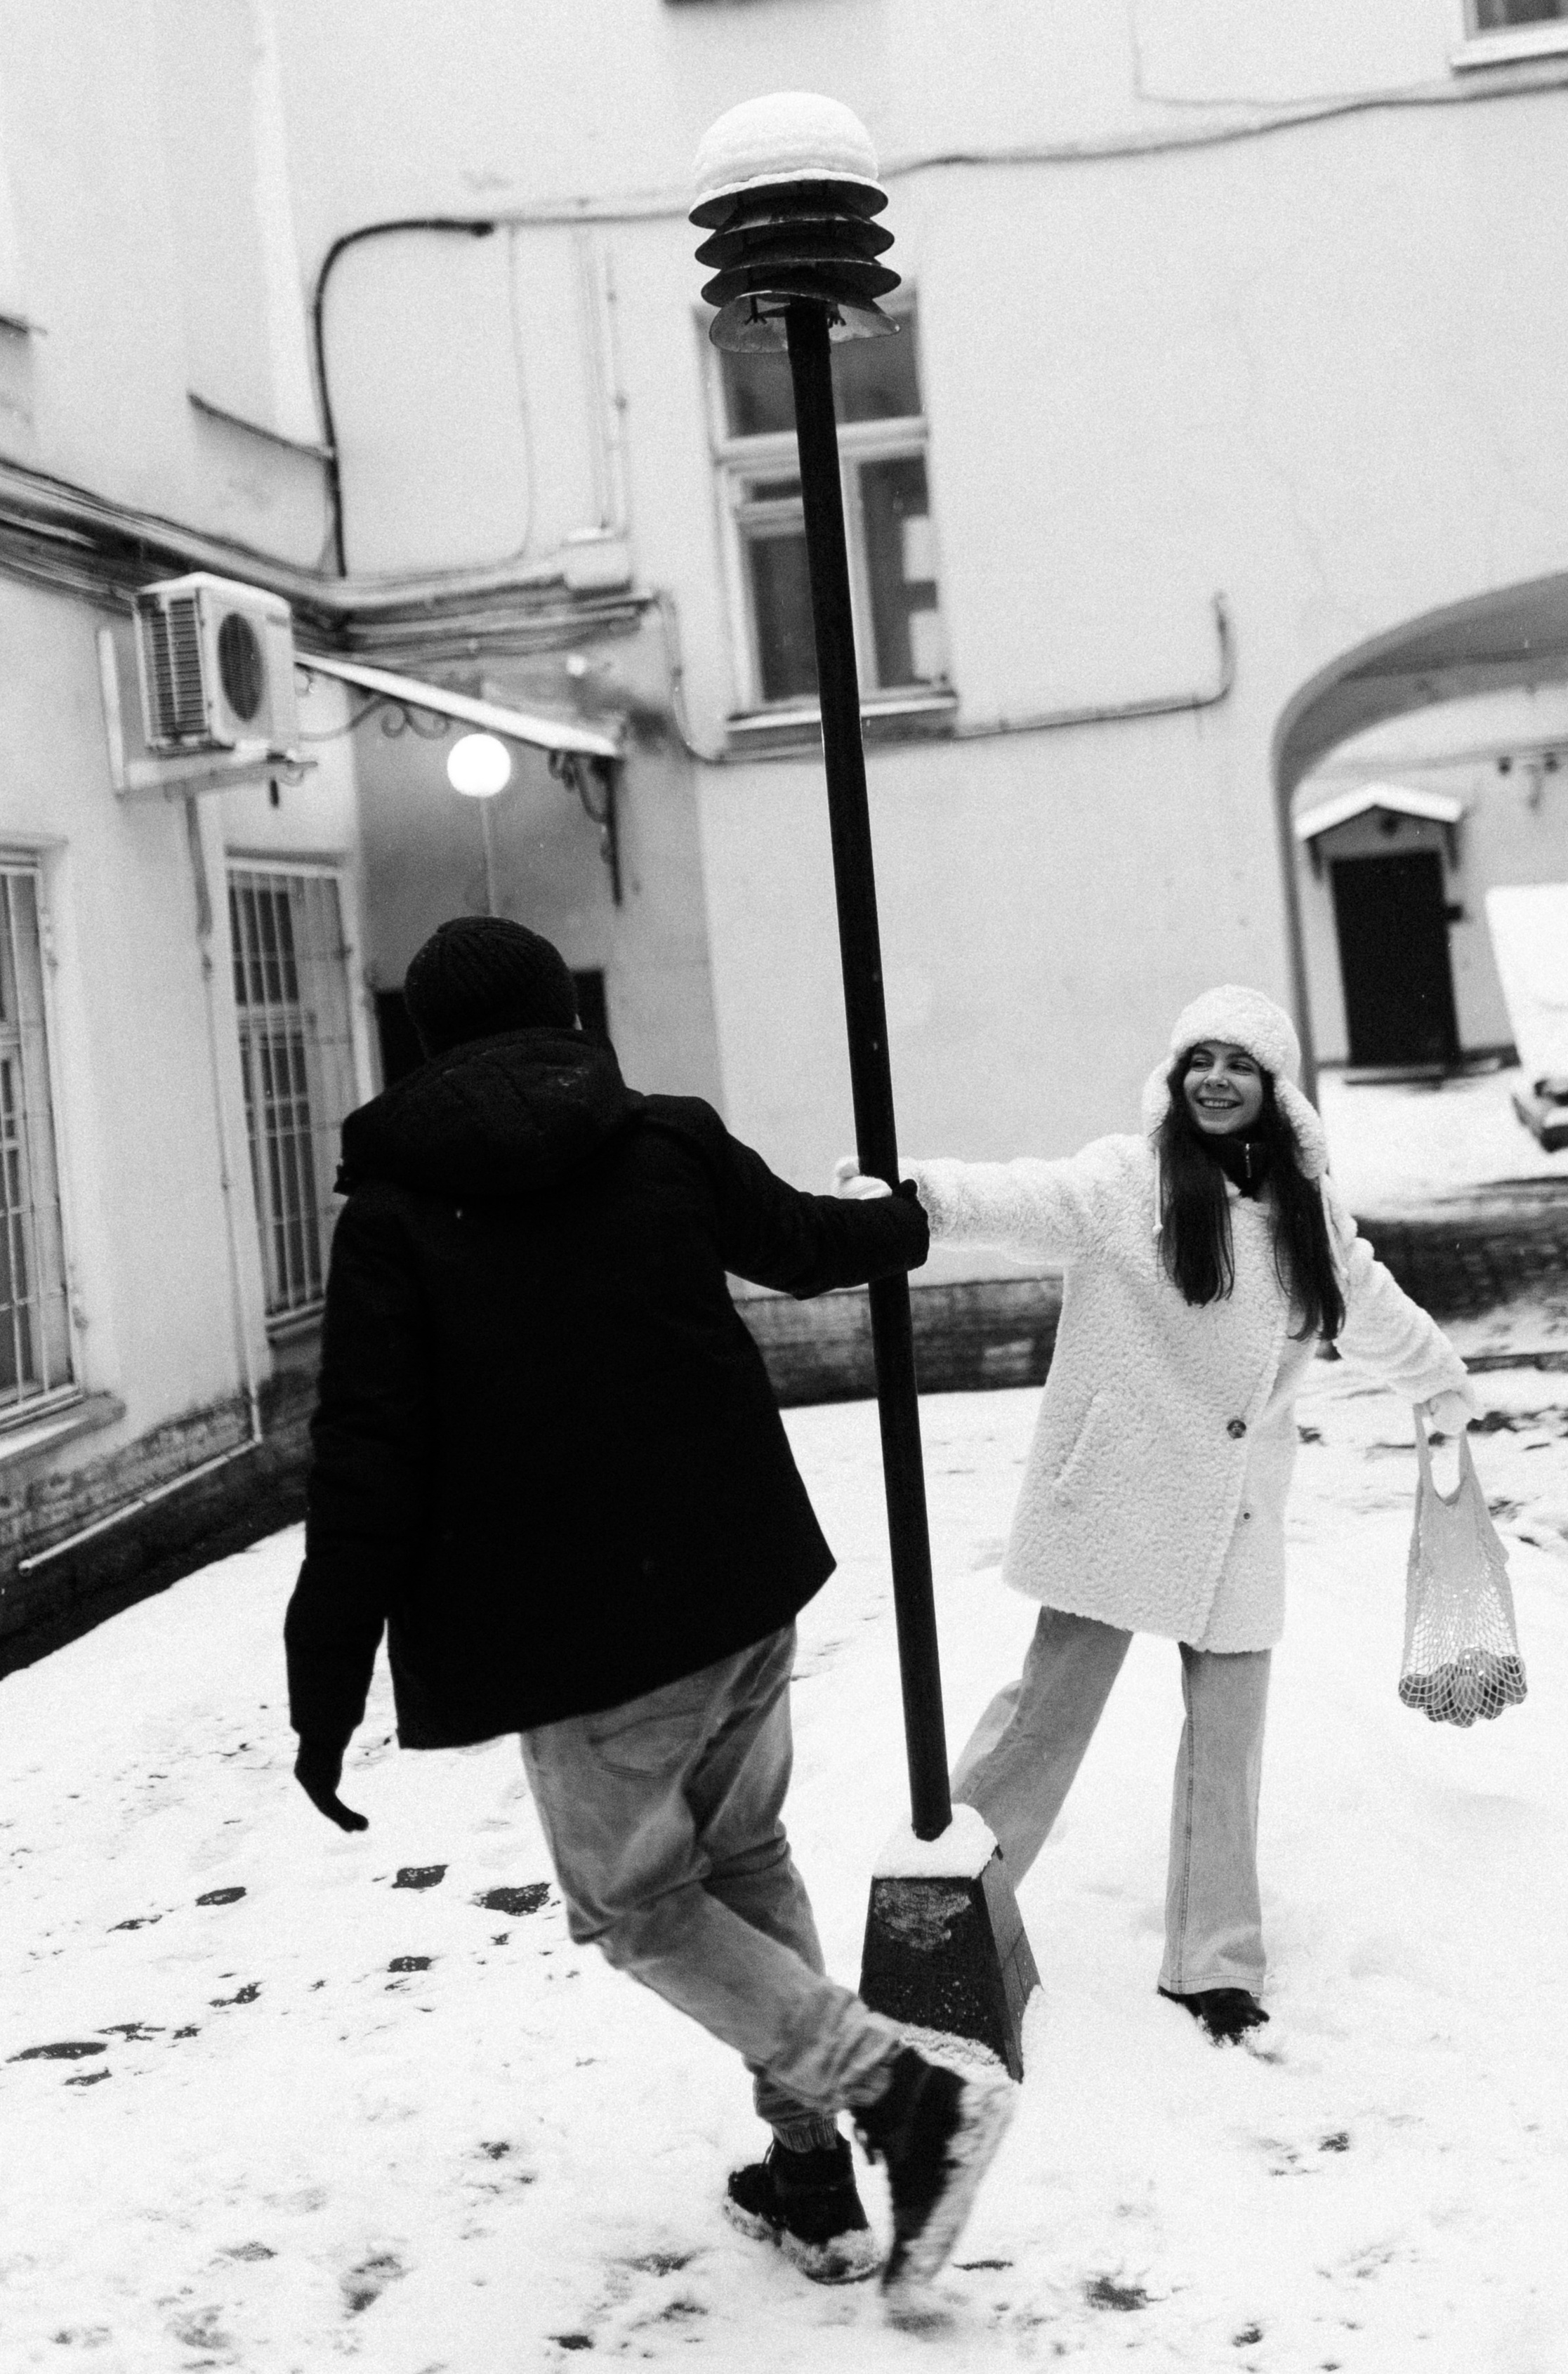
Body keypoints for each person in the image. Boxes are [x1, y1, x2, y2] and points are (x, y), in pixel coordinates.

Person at [284, 915, 1013, 2301]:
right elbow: (805, 1244)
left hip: (579, 1640)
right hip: (740, 1588)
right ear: (564, 1014)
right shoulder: (661, 1136)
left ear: (427, 1044)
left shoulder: (394, 1217)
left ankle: (901, 2095)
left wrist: (324, 1692)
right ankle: (809, 2178)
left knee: (637, 1911)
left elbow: (364, 1465)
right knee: (738, 1865)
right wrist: (903, 1224)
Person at [841, 984, 1476, 2047]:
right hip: (1123, 1490)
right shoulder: (1128, 1180)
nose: (1216, 1078)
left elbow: (1370, 1306)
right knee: (1045, 1722)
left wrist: (1442, 1380)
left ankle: (1214, 1964)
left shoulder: (1307, 1207)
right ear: (1177, 1079)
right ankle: (932, 1921)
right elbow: (1020, 1198)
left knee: (1228, 1743)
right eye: (1199, 1060)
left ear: (1273, 1087)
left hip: (1234, 1512)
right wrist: (909, 1202)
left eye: (1239, 1062)